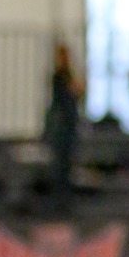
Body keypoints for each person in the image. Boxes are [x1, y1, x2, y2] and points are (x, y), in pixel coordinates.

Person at [43, 44, 84, 208]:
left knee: (66, 165)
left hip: (68, 127)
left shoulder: (67, 76)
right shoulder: (59, 77)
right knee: (60, 166)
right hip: (61, 128)